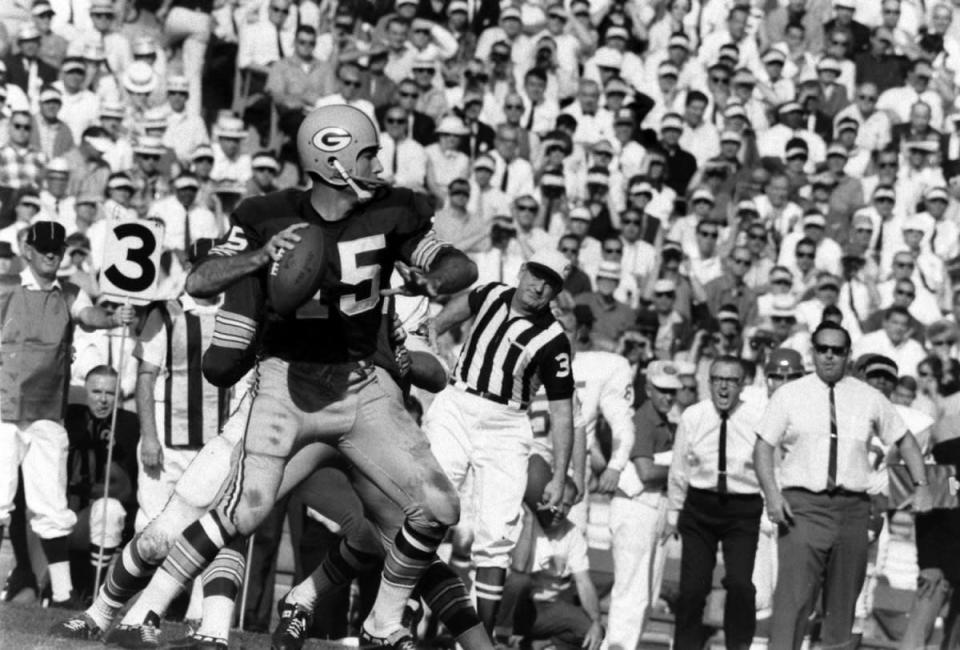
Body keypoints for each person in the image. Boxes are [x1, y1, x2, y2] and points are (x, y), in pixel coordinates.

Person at [97, 105, 478, 649]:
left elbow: (460, 264)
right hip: (286, 382)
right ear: (334, 158)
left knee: (439, 507)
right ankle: (135, 613)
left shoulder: (395, 210)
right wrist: (259, 257)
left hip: (360, 385)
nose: (378, 163)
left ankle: (382, 621)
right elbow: (201, 280)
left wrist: (434, 278)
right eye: (368, 153)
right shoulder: (266, 213)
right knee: (243, 508)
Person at [754, 321, 934, 649]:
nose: (829, 356)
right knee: (792, 603)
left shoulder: (869, 398)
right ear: (813, 352)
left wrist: (922, 485)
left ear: (848, 355)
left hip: (854, 508)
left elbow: (906, 441)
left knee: (843, 607)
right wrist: (772, 495)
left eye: (837, 350)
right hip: (803, 507)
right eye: (822, 349)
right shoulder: (790, 394)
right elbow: (763, 446)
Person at [424, 249, 575, 632]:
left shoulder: (554, 340)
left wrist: (559, 475)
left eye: (549, 283)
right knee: (427, 510)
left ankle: (479, 639)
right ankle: (397, 619)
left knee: (496, 536)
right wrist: (436, 326)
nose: (538, 287)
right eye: (536, 274)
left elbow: (561, 411)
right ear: (523, 271)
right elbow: (463, 304)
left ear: (555, 291)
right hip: (457, 404)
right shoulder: (491, 292)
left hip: (506, 422)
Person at [0, 221, 134, 608]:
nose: (51, 255)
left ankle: (61, 594)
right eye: (44, 249)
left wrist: (113, 320)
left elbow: (89, 315)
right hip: (5, 411)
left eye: (57, 249)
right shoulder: (7, 286)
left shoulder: (70, 292)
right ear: (27, 250)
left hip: (47, 413)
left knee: (50, 504)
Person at [665, 356, 766, 650]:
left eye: (731, 381)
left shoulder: (758, 417)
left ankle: (738, 646)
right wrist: (674, 511)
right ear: (708, 383)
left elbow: (771, 464)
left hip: (742, 509)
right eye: (717, 380)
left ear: (742, 385)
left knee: (740, 585)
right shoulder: (693, 416)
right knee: (692, 590)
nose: (723, 388)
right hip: (700, 507)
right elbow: (680, 467)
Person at [603, 360, 679, 650]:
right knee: (630, 593)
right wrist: (682, 469)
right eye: (661, 390)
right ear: (648, 388)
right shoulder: (643, 420)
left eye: (672, 391)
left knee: (647, 594)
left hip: (654, 506)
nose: (667, 397)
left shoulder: (667, 423)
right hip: (635, 506)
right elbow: (646, 472)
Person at [496, 457, 604, 650]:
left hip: (547, 609)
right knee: (520, 580)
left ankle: (539, 644)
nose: (560, 510)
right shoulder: (522, 521)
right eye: (558, 502)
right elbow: (519, 568)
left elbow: (583, 581)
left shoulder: (572, 533)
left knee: (587, 629)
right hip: (516, 608)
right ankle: (500, 639)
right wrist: (530, 520)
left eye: (567, 505)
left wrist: (596, 621)